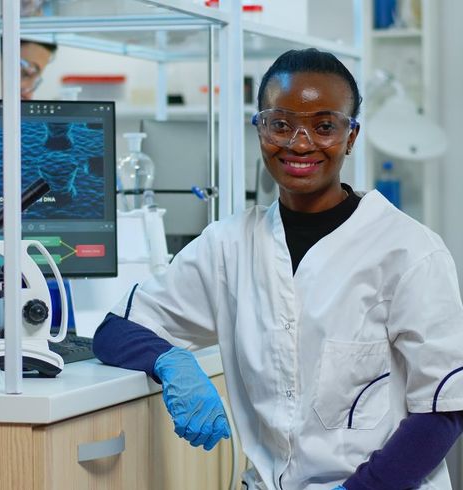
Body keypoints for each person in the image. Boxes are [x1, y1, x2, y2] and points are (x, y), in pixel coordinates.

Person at [93, 48, 463, 490]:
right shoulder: (228, 245)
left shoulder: (409, 250)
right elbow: (114, 330)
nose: (300, 144)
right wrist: (170, 361)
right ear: (260, 129)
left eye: (324, 126)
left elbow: (444, 408)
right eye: (281, 124)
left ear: (351, 136)